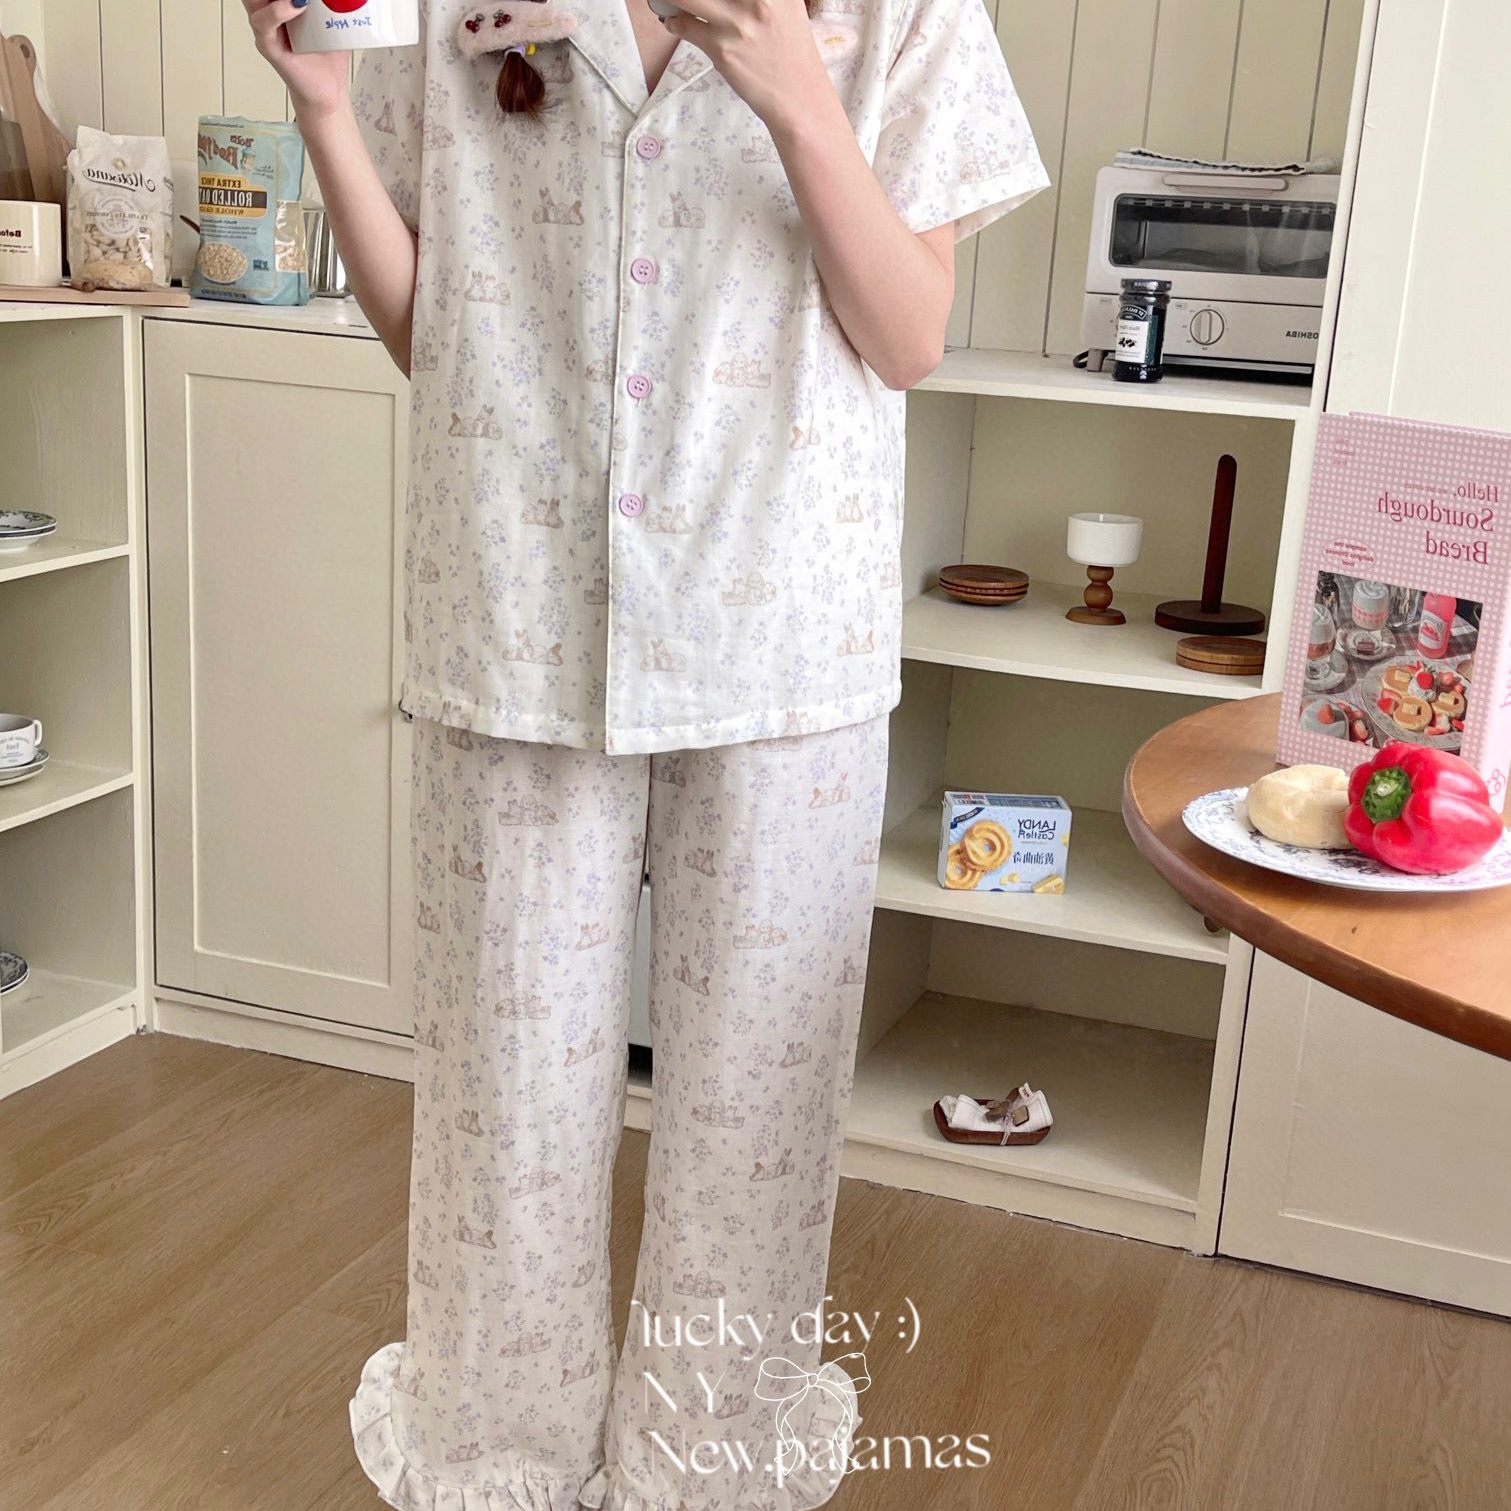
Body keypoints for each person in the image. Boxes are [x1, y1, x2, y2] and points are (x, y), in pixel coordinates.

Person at [241, 0, 1046, 1505]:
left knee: (755, 1108)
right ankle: (498, 1450)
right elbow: (433, 334)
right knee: (505, 1097)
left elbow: (909, 338)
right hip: (517, 610)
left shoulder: (899, 12)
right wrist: (325, 114)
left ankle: (710, 1456)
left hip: (783, 625)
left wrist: (795, 92)